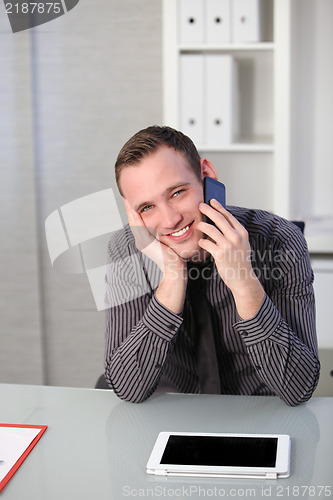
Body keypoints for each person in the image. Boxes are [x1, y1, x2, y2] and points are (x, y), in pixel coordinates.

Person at [104, 125, 320, 405]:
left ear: (206, 175)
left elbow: (298, 389)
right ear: (132, 212)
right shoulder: (125, 251)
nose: (170, 220)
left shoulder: (278, 241)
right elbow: (128, 388)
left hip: (259, 416)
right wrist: (172, 278)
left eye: (177, 193)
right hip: (168, 413)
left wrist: (244, 284)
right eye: (147, 207)